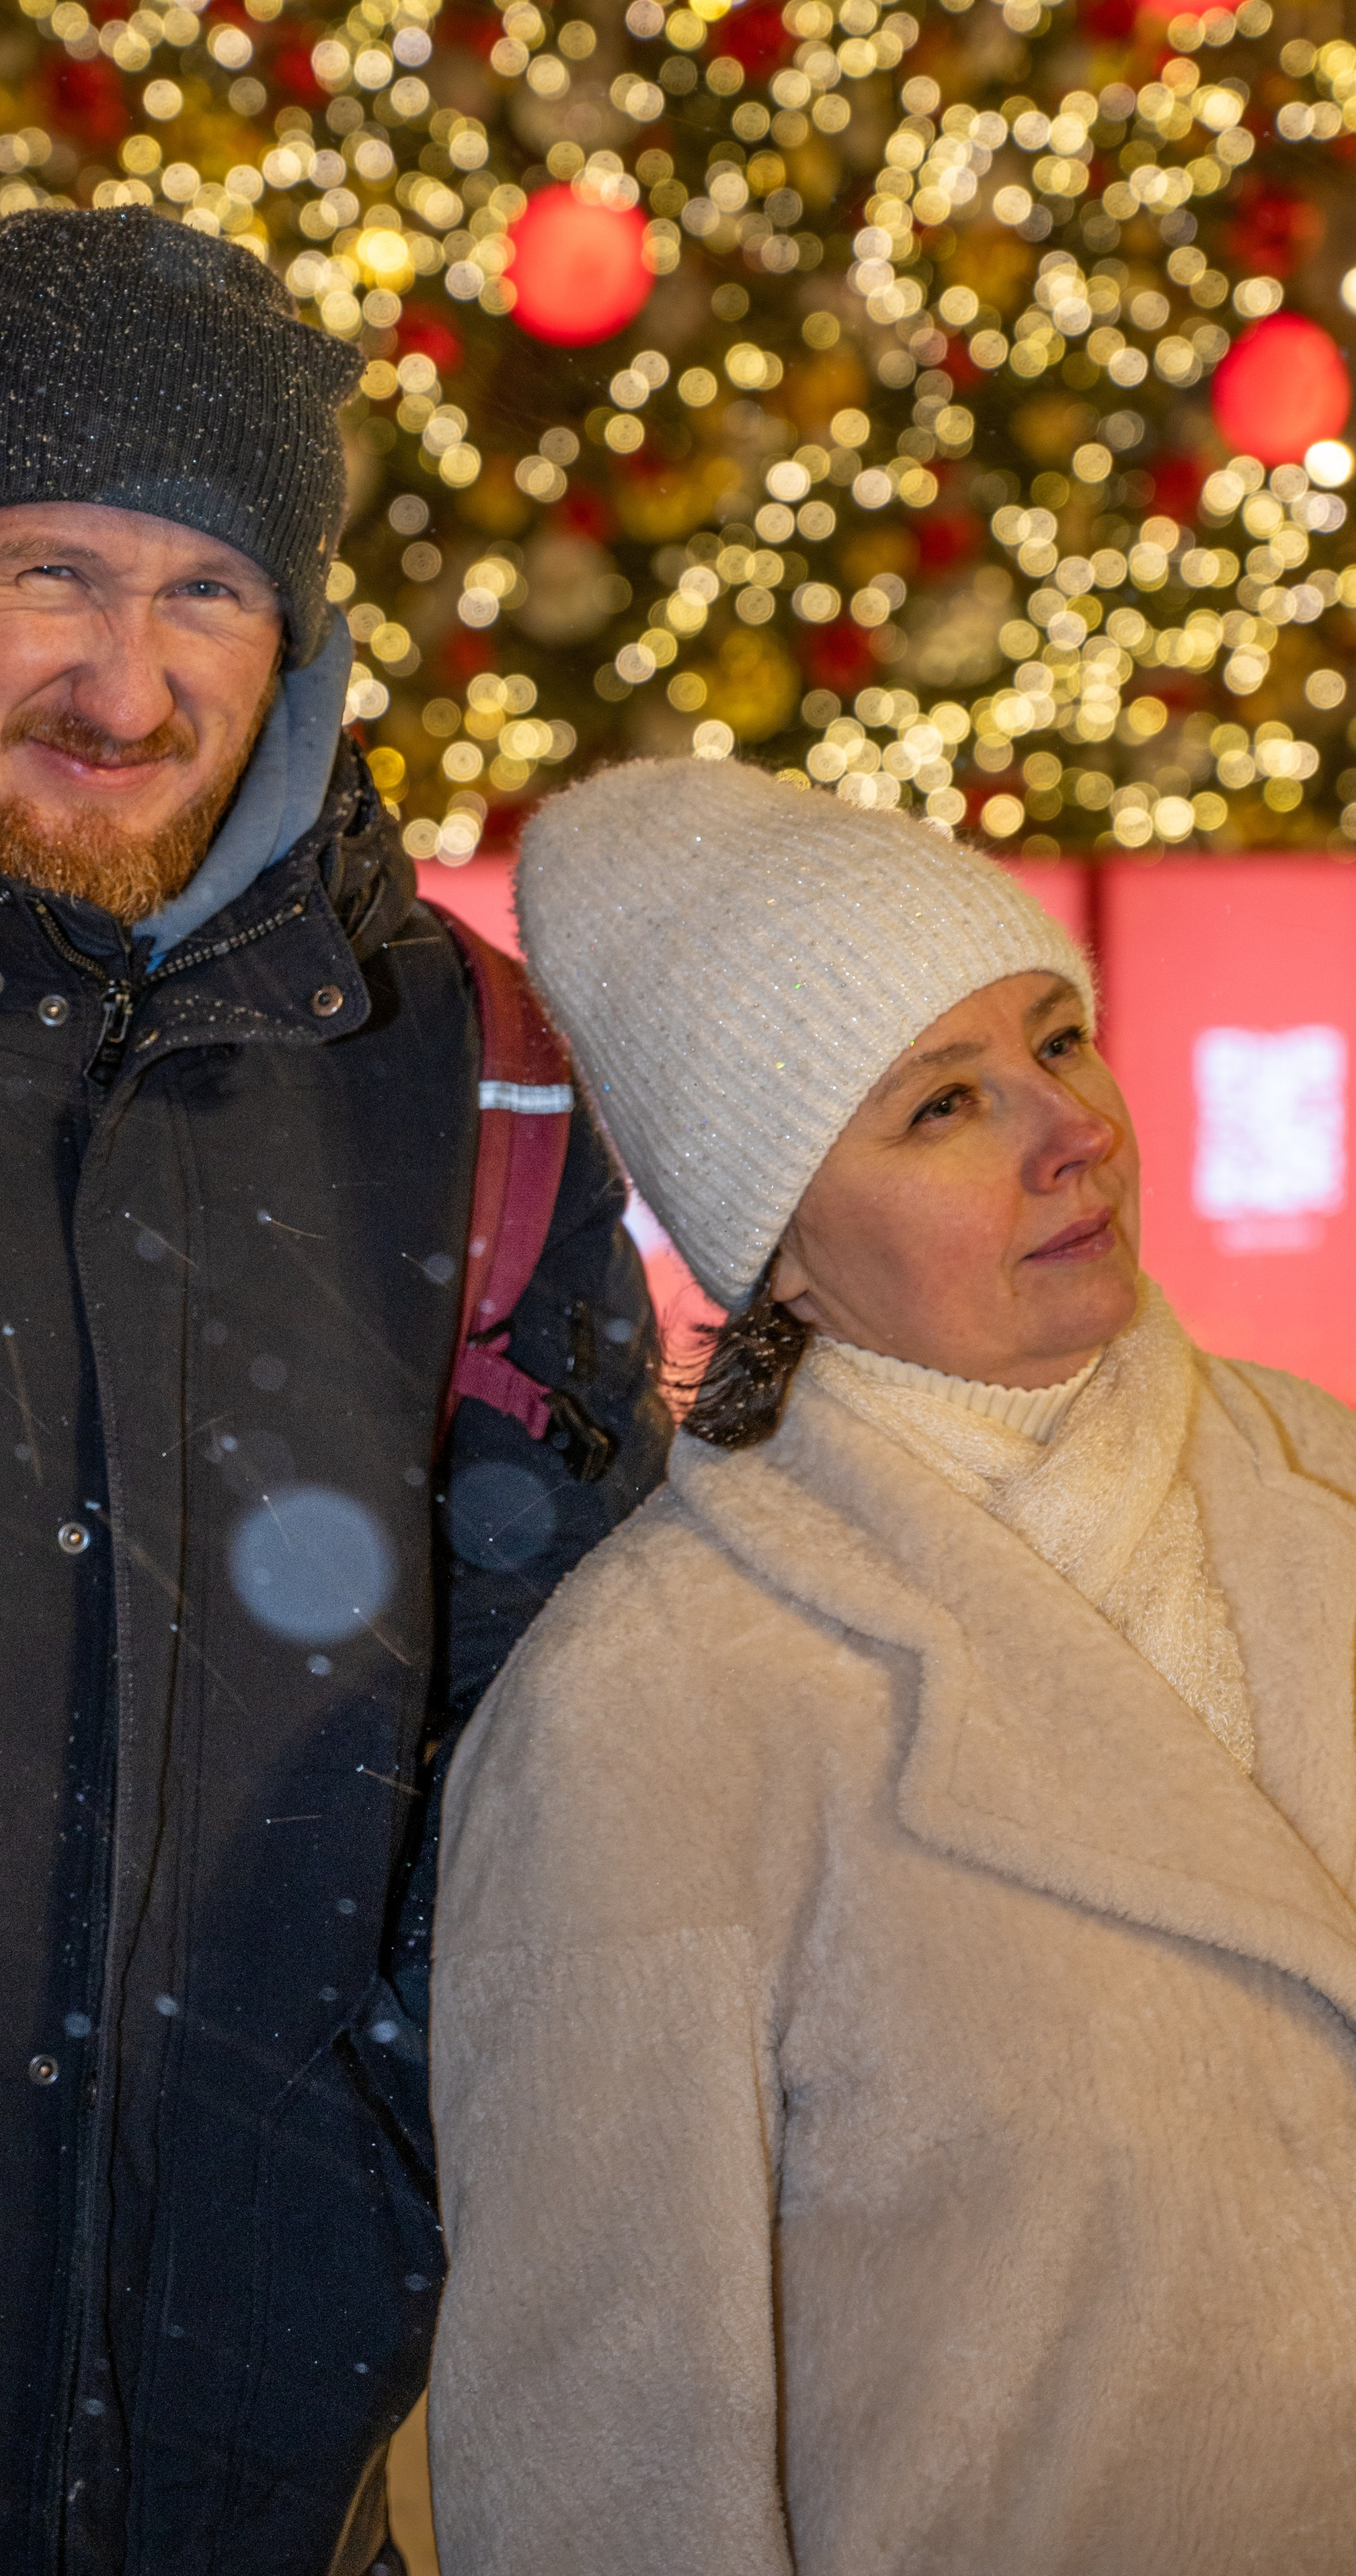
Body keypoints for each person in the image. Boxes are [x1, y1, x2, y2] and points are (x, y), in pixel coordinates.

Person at [0, 209, 667, 2576]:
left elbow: (579, 1727)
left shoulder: (449, 1069)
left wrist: (376, 2152)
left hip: (270, 2455)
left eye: (208, 591)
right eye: (52, 570)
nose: (127, 676)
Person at [427, 756, 1356, 2576]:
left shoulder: (1326, 1481)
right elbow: (605, 2459)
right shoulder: (656, 1710)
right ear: (782, 1249)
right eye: (943, 1106)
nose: (1068, 1128)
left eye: (1058, 1041)